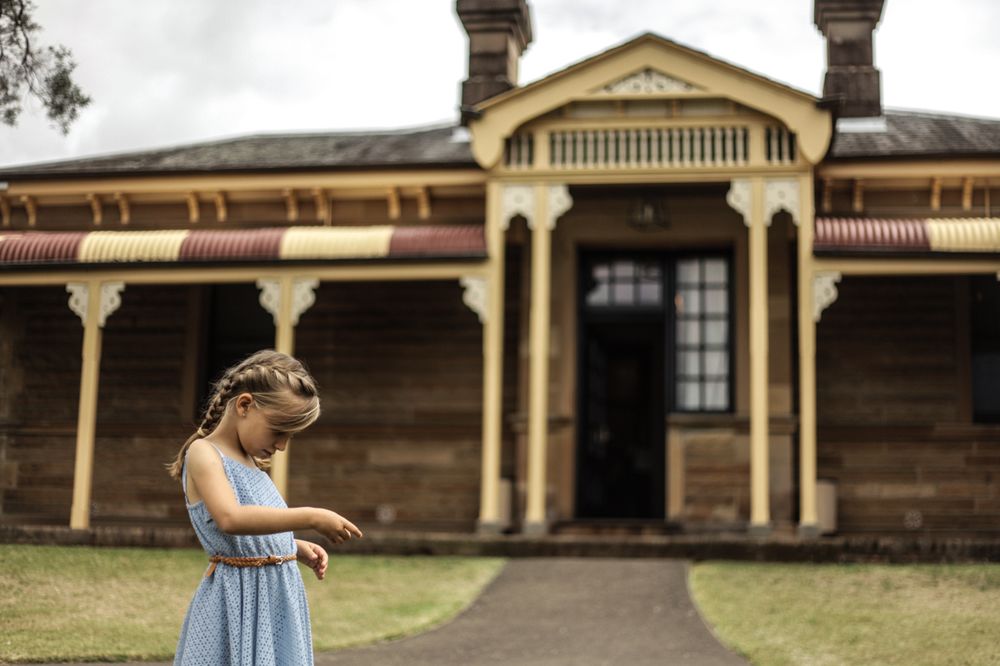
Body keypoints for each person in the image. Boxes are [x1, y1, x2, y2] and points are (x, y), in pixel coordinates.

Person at [166, 349, 362, 665]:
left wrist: (292, 546)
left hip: (273, 601)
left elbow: (249, 534)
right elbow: (230, 518)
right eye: (278, 431)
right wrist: (312, 516)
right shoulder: (204, 453)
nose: (282, 445)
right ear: (245, 405)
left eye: (289, 436)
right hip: (239, 602)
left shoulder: (252, 463)